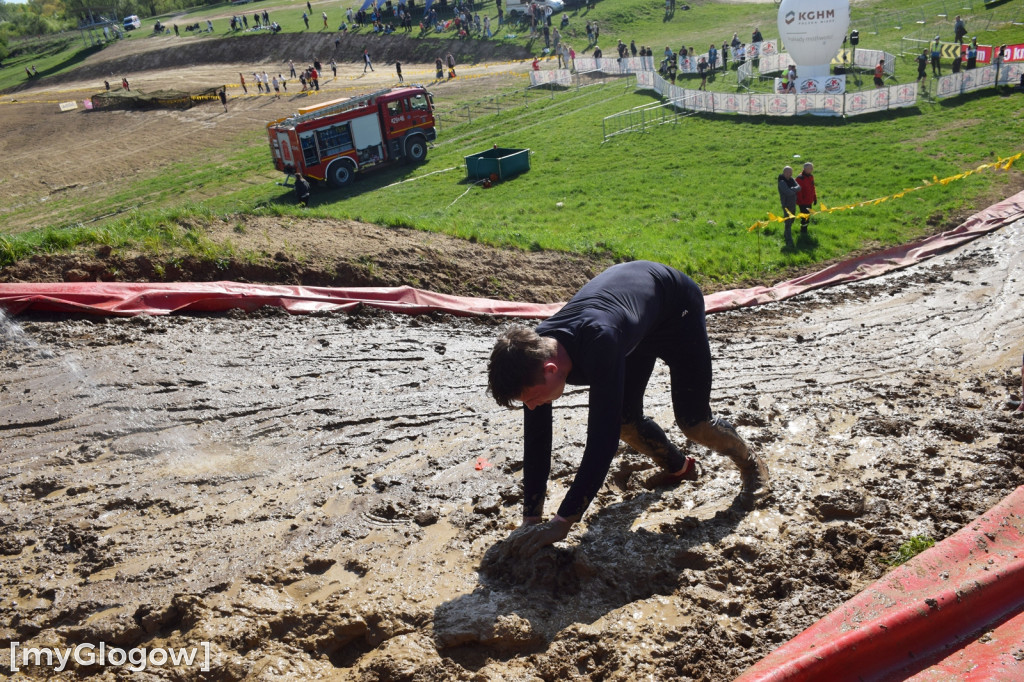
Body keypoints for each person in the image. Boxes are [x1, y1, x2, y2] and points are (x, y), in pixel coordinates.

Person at [487, 261, 770, 557]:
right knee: (625, 421)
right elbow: (536, 440)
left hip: (676, 310)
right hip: (635, 322)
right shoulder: (531, 356)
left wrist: (564, 520)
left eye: (531, 399)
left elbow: (601, 441)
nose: (531, 407)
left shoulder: (600, 342)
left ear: (551, 368)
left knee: (694, 422)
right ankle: (679, 468)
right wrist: (531, 517)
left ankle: (751, 463)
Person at [778, 165, 799, 248]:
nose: (789, 174)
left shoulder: (792, 179)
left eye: (790, 172)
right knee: (788, 222)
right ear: (783, 173)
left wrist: (792, 189)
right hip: (786, 205)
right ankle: (789, 240)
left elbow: (799, 187)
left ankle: (786, 234)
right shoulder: (782, 182)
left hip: (793, 203)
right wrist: (794, 190)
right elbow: (788, 192)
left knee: (792, 220)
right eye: (787, 172)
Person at [795, 163, 817, 235]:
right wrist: (801, 202)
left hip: (809, 200)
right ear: (804, 169)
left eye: (812, 168)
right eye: (809, 168)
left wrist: (814, 197)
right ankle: (803, 231)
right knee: (804, 217)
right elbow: (798, 192)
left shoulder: (811, 177)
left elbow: (812, 188)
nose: (811, 169)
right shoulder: (799, 178)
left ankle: (805, 230)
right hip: (803, 202)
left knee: (808, 216)